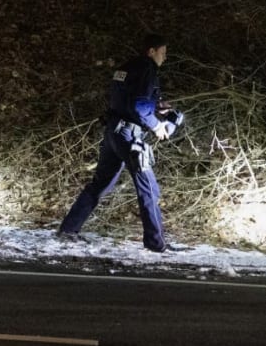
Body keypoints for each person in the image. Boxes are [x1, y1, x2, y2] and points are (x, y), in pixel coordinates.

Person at [58, 34, 179, 252]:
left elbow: (127, 99)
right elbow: (139, 105)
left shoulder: (126, 67)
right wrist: (157, 125)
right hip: (129, 137)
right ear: (151, 51)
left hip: (113, 133)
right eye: (163, 52)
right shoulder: (147, 68)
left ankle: (68, 229)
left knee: (100, 183)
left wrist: (157, 106)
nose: (165, 57)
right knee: (149, 189)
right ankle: (156, 244)